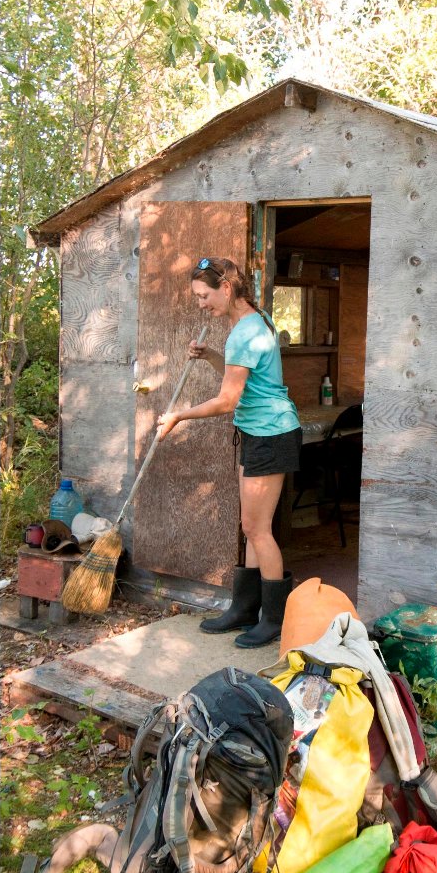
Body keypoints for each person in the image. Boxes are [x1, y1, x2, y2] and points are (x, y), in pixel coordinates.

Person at [156, 256, 301, 647]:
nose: (201, 304)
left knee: (258, 529)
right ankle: (244, 609)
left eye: (204, 296)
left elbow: (226, 400)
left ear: (227, 287)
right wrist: (210, 357)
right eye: (197, 297)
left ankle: (272, 619)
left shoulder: (245, 331)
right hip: (258, 432)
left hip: (271, 433)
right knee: (250, 527)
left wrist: (178, 416)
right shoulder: (252, 320)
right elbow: (241, 374)